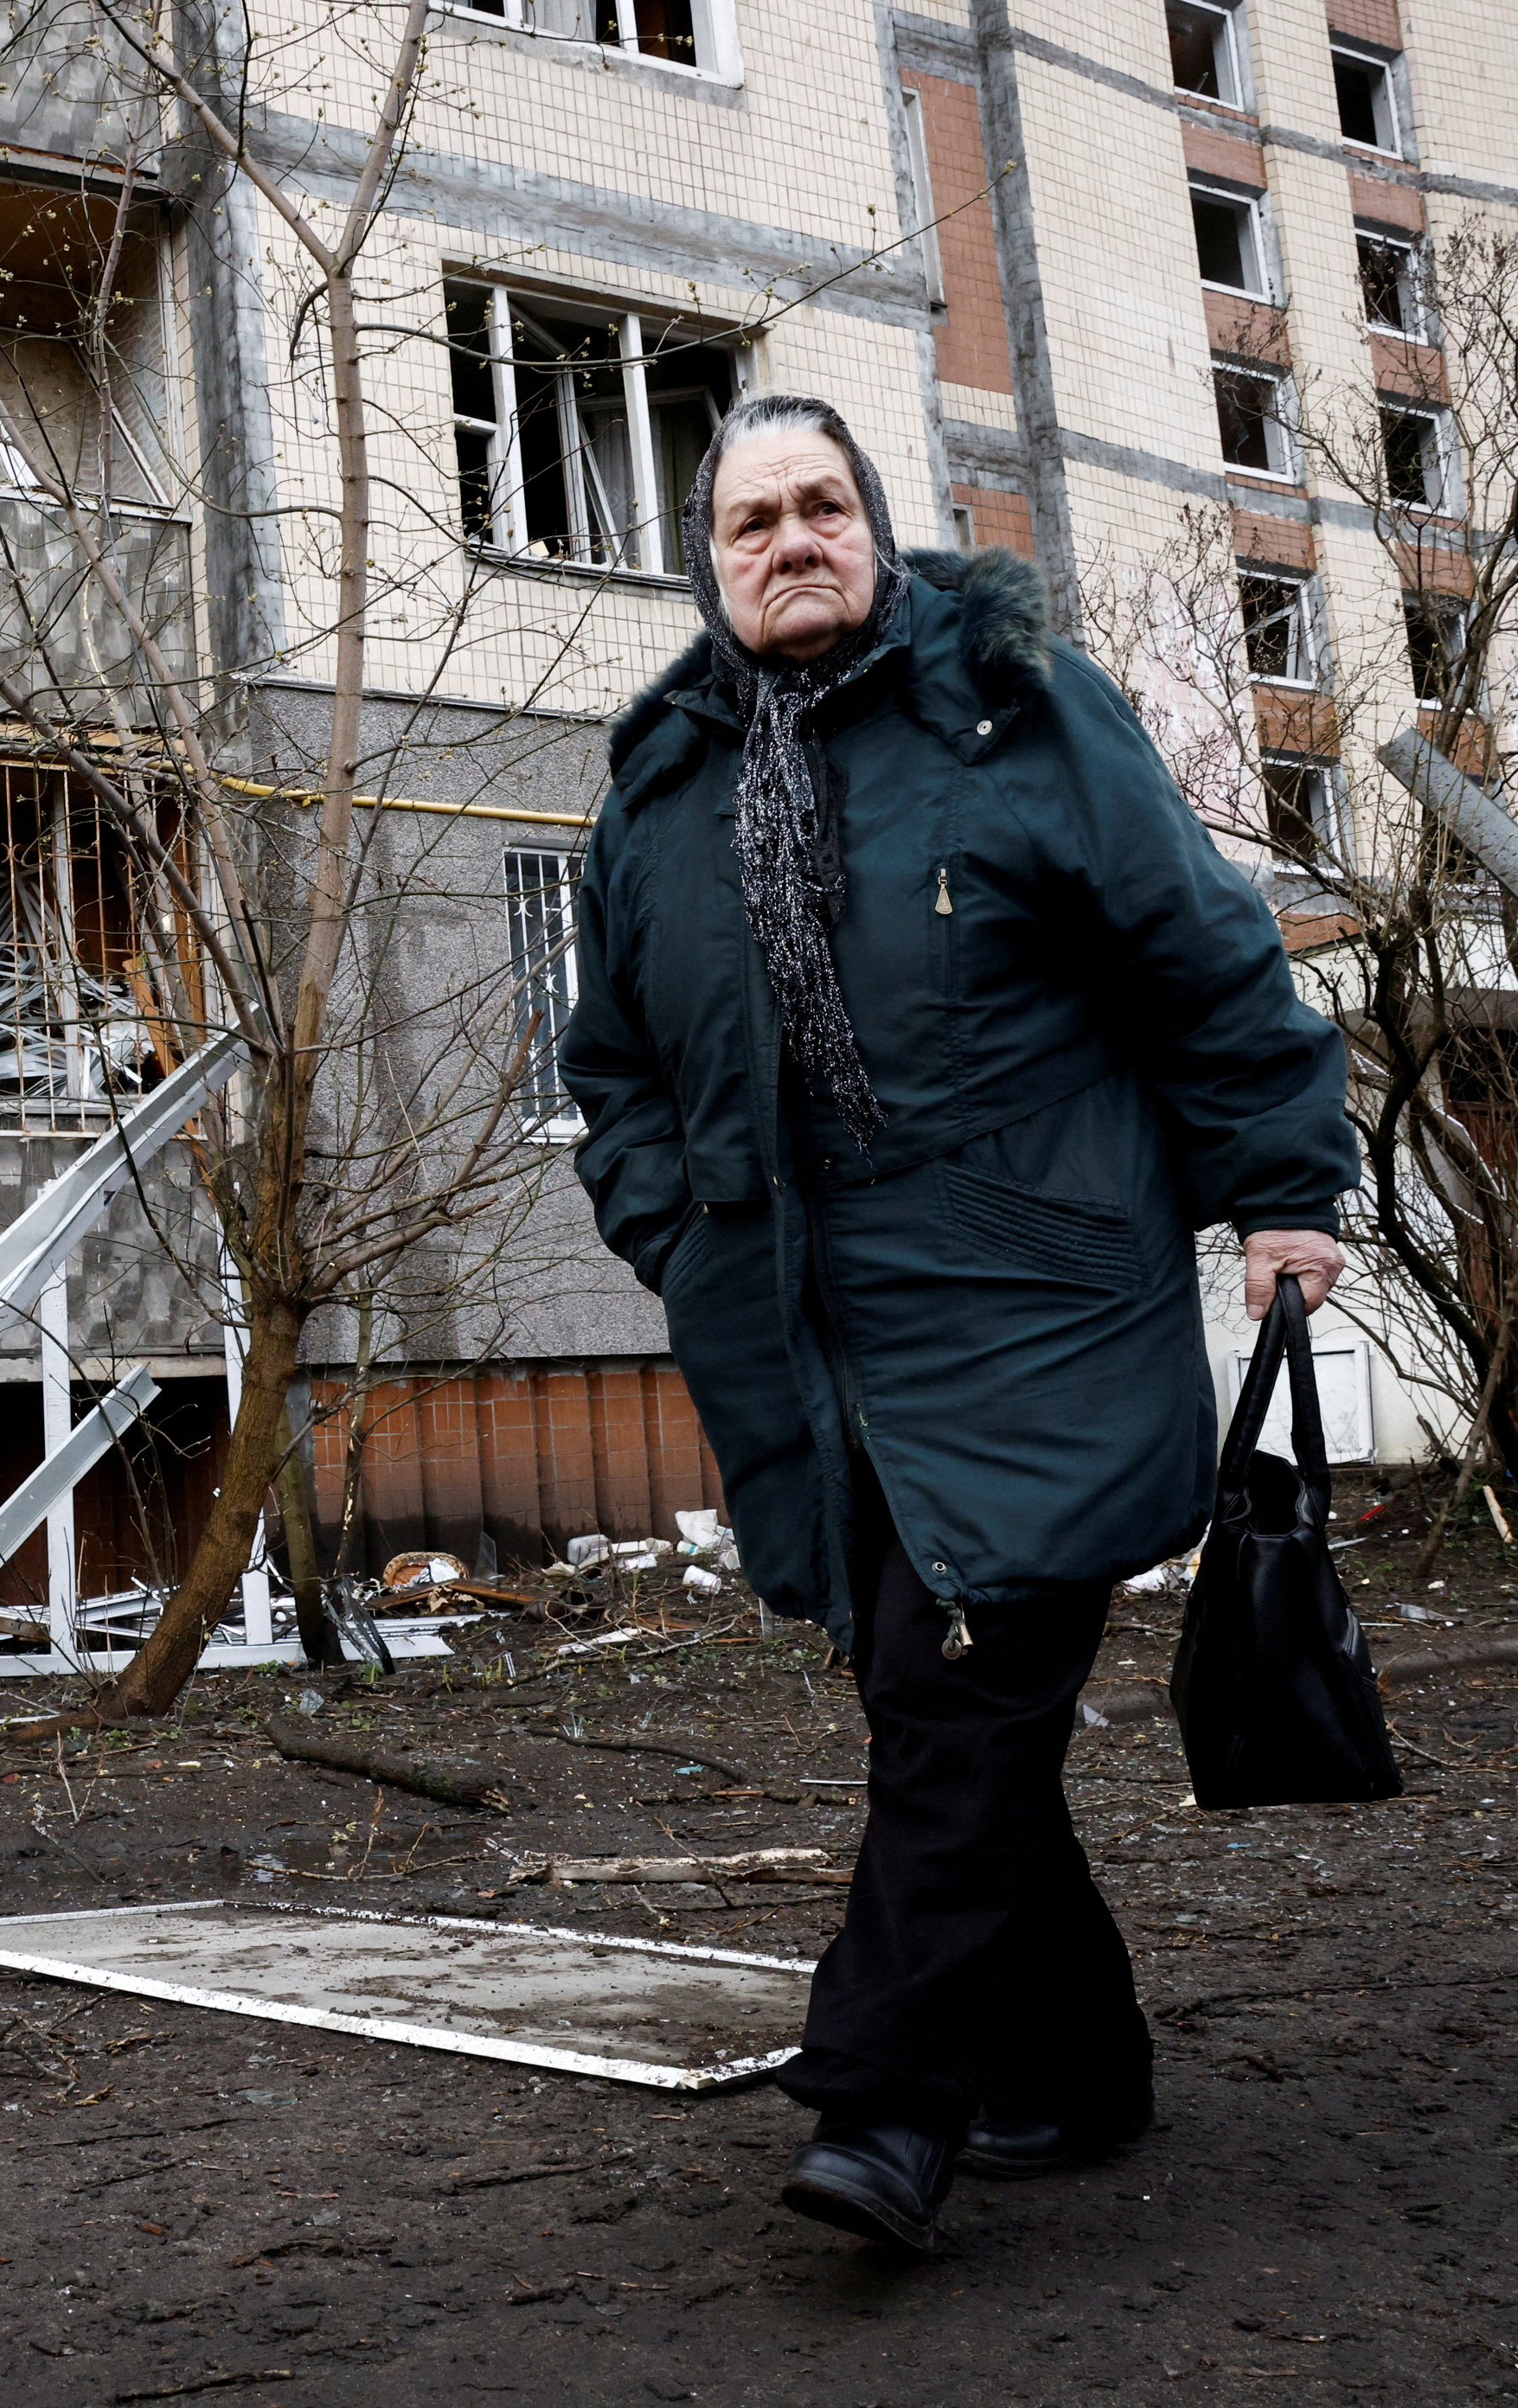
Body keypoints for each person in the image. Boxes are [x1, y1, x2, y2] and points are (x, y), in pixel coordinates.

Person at [560, 393, 1356, 2253]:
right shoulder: (662, 786)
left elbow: (1201, 947)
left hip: (1034, 1293)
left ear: (880, 525)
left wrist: (1284, 1187)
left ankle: (890, 2103)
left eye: (822, 505)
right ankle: (1076, 2065)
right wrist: (675, 1233)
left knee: (954, 1694)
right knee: (946, 1709)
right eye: (751, 520)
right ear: (712, 560)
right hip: (799, 1337)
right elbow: (616, 1073)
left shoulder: (1013, 709)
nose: (790, 542)